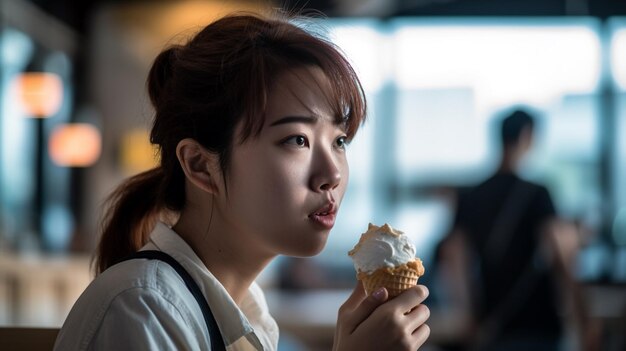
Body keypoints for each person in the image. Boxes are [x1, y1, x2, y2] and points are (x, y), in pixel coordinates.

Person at [54, 12, 430, 351]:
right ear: (200, 165)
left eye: (339, 141)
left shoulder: (248, 311)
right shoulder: (143, 309)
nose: (332, 174)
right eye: (296, 140)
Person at [438, 109, 598, 351]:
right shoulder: (537, 194)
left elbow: (454, 260)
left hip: (490, 326)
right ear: (527, 136)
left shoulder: (471, 196)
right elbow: (562, 257)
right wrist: (584, 320)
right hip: (537, 327)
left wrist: (468, 315)